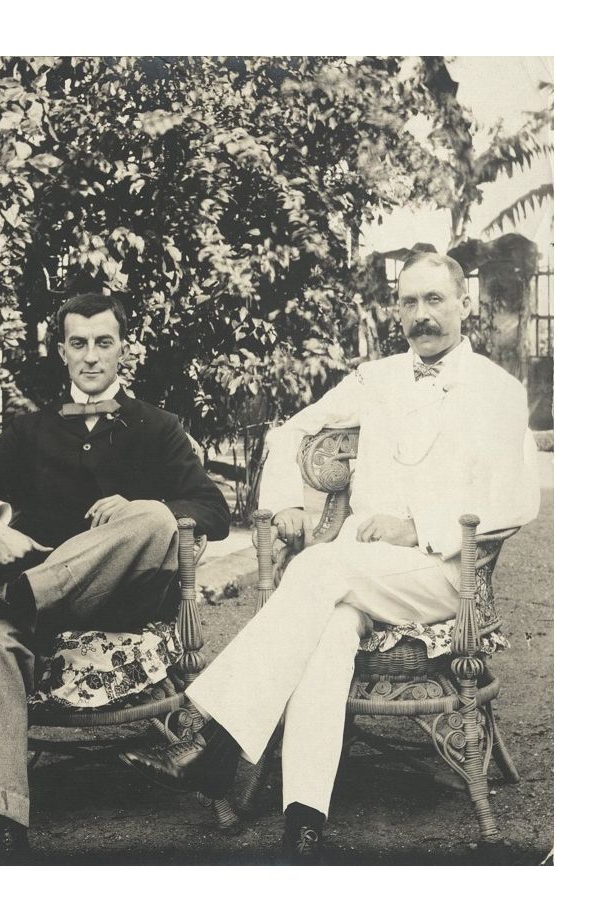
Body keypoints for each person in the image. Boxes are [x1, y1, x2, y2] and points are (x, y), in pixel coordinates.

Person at [119, 252, 540, 863]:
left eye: (434, 299)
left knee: (316, 567)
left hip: (445, 572)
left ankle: (213, 739)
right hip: (357, 573)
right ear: (397, 310)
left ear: (463, 304)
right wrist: (289, 503)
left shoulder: (497, 391)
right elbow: (290, 431)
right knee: (328, 631)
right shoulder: (377, 379)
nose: (421, 315)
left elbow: (516, 498)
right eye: (409, 301)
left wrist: (417, 527)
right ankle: (305, 818)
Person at [0, 292, 230, 864]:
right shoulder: (29, 432)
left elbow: (214, 510)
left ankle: (2, 599)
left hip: (126, 603)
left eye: (103, 343)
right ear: (62, 351)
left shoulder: (157, 427)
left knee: (157, 517)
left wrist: (139, 509)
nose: (91, 356)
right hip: (40, 616)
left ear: (123, 349)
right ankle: (0, 822)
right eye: (78, 343)